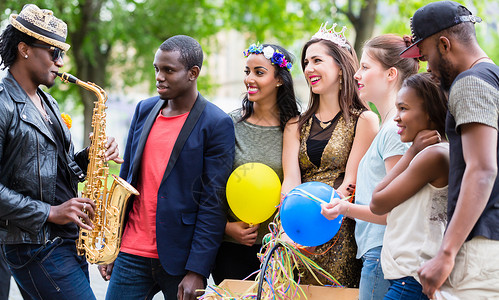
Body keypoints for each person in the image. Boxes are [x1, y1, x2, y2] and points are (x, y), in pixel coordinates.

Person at [0, 4, 123, 299]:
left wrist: (92, 154)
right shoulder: (3, 103)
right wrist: (51, 212)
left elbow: (62, 168)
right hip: (35, 245)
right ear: (24, 48)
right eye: (54, 52)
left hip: (66, 239)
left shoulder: (48, 103)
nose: (61, 62)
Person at [98, 35, 235, 300]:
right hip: (130, 252)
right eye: (157, 69)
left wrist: (198, 270)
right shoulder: (144, 109)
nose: (159, 76)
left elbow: (213, 202)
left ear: (193, 73)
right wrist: (112, 247)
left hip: (181, 259)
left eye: (168, 70)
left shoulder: (216, 123)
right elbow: (126, 180)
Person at [399, 1, 499, 298]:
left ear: (444, 45)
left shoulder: (470, 83)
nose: (428, 67)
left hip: (479, 252)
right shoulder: (493, 79)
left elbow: (482, 169)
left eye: (427, 55)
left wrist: (446, 252)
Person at [320, 34, 419, 299]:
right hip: (377, 252)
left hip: (383, 252)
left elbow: (396, 211)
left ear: (390, 74)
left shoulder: (395, 131)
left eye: (366, 67)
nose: (356, 74)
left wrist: (345, 209)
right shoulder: (389, 126)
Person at [281, 23, 379, 287]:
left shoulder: (365, 121)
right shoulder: (295, 126)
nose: (308, 68)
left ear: (340, 66)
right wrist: (290, 229)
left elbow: (352, 182)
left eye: (317, 60)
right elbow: (290, 181)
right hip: (297, 229)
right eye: (305, 62)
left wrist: (320, 222)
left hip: (339, 228)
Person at [211, 43, 300, 285]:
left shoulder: (295, 128)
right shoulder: (229, 124)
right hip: (230, 249)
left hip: (278, 250)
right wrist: (227, 228)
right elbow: (212, 186)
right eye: (247, 71)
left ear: (279, 80)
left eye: (259, 72)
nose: (249, 79)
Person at [368, 73, 449, 300]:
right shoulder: (438, 152)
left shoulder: (432, 155)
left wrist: (411, 152)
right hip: (409, 280)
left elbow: (377, 202)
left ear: (430, 112)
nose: (397, 117)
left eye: (404, 108)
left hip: (411, 282)